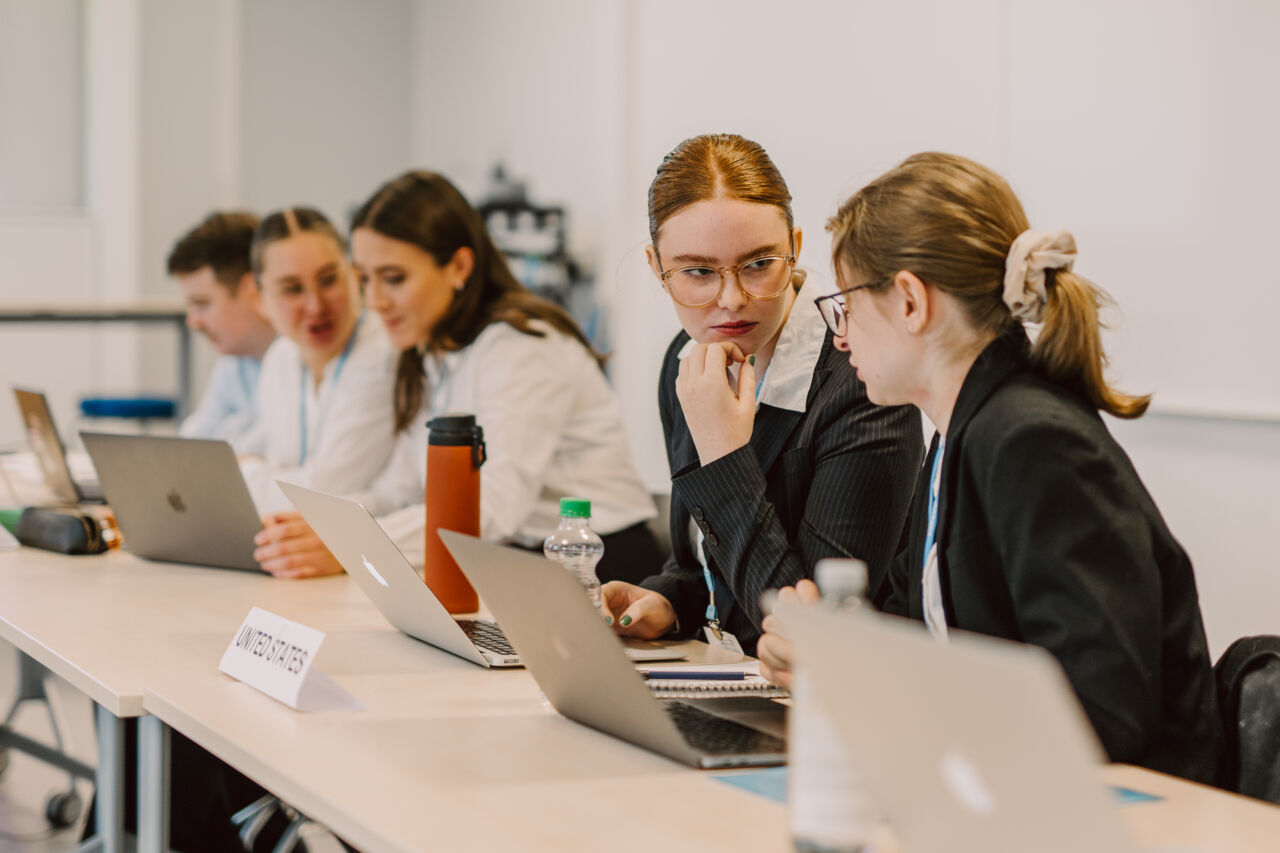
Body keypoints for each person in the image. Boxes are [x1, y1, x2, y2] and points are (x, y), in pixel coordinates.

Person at [756, 152, 1224, 786]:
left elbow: (1101, 717)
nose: (841, 338)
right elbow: (908, 632)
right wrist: (833, 654)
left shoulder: (1032, 441)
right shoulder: (960, 433)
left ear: (910, 301)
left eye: (847, 308)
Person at [252, 171, 661, 583]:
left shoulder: (521, 347)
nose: (374, 301)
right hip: (505, 557)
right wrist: (316, 529)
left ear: (459, 266)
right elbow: (401, 491)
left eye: (393, 278)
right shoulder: (428, 354)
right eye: (364, 279)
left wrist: (349, 544)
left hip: (599, 566)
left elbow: (493, 506)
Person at [603, 134, 924, 656]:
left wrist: (724, 452)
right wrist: (670, 600)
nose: (731, 301)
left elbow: (811, 630)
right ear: (656, 269)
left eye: (758, 264)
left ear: (794, 248)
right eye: (698, 272)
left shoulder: (862, 384)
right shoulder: (685, 360)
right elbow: (699, 564)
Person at [242, 207, 397, 576]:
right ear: (258, 295)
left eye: (329, 280)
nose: (316, 306)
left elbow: (323, 492)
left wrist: (247, 475)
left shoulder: (385, 354)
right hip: (296, 565)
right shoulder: (280, 358)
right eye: (292, 289)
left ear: (353, 273)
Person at [168, 211, 276, 453]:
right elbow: (191, 446)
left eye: (202, 304)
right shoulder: (235, 360)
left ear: (252, 290)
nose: (193, 322)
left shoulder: (301, 358)